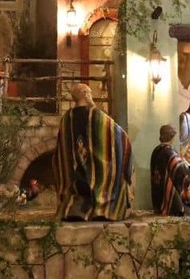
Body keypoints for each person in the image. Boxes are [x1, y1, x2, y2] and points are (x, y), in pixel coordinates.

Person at [54, 83, 132, 222]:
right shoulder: (96, 115)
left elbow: (61, 150)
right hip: (95, 171)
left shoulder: (66, 119)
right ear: (85, 94)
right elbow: (120, 136)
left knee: (76, 175)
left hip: (75, 172)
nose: (91, 96)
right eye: (89, 93)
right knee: (109, 173)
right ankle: (101, 209)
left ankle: (75, 209)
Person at [150, 124, 190, 217]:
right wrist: (186, 186)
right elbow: (181, 170)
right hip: (171, 201)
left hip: (158, 199)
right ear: (172, 137)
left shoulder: (156, 150)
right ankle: (179, 208)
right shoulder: (169, 151)